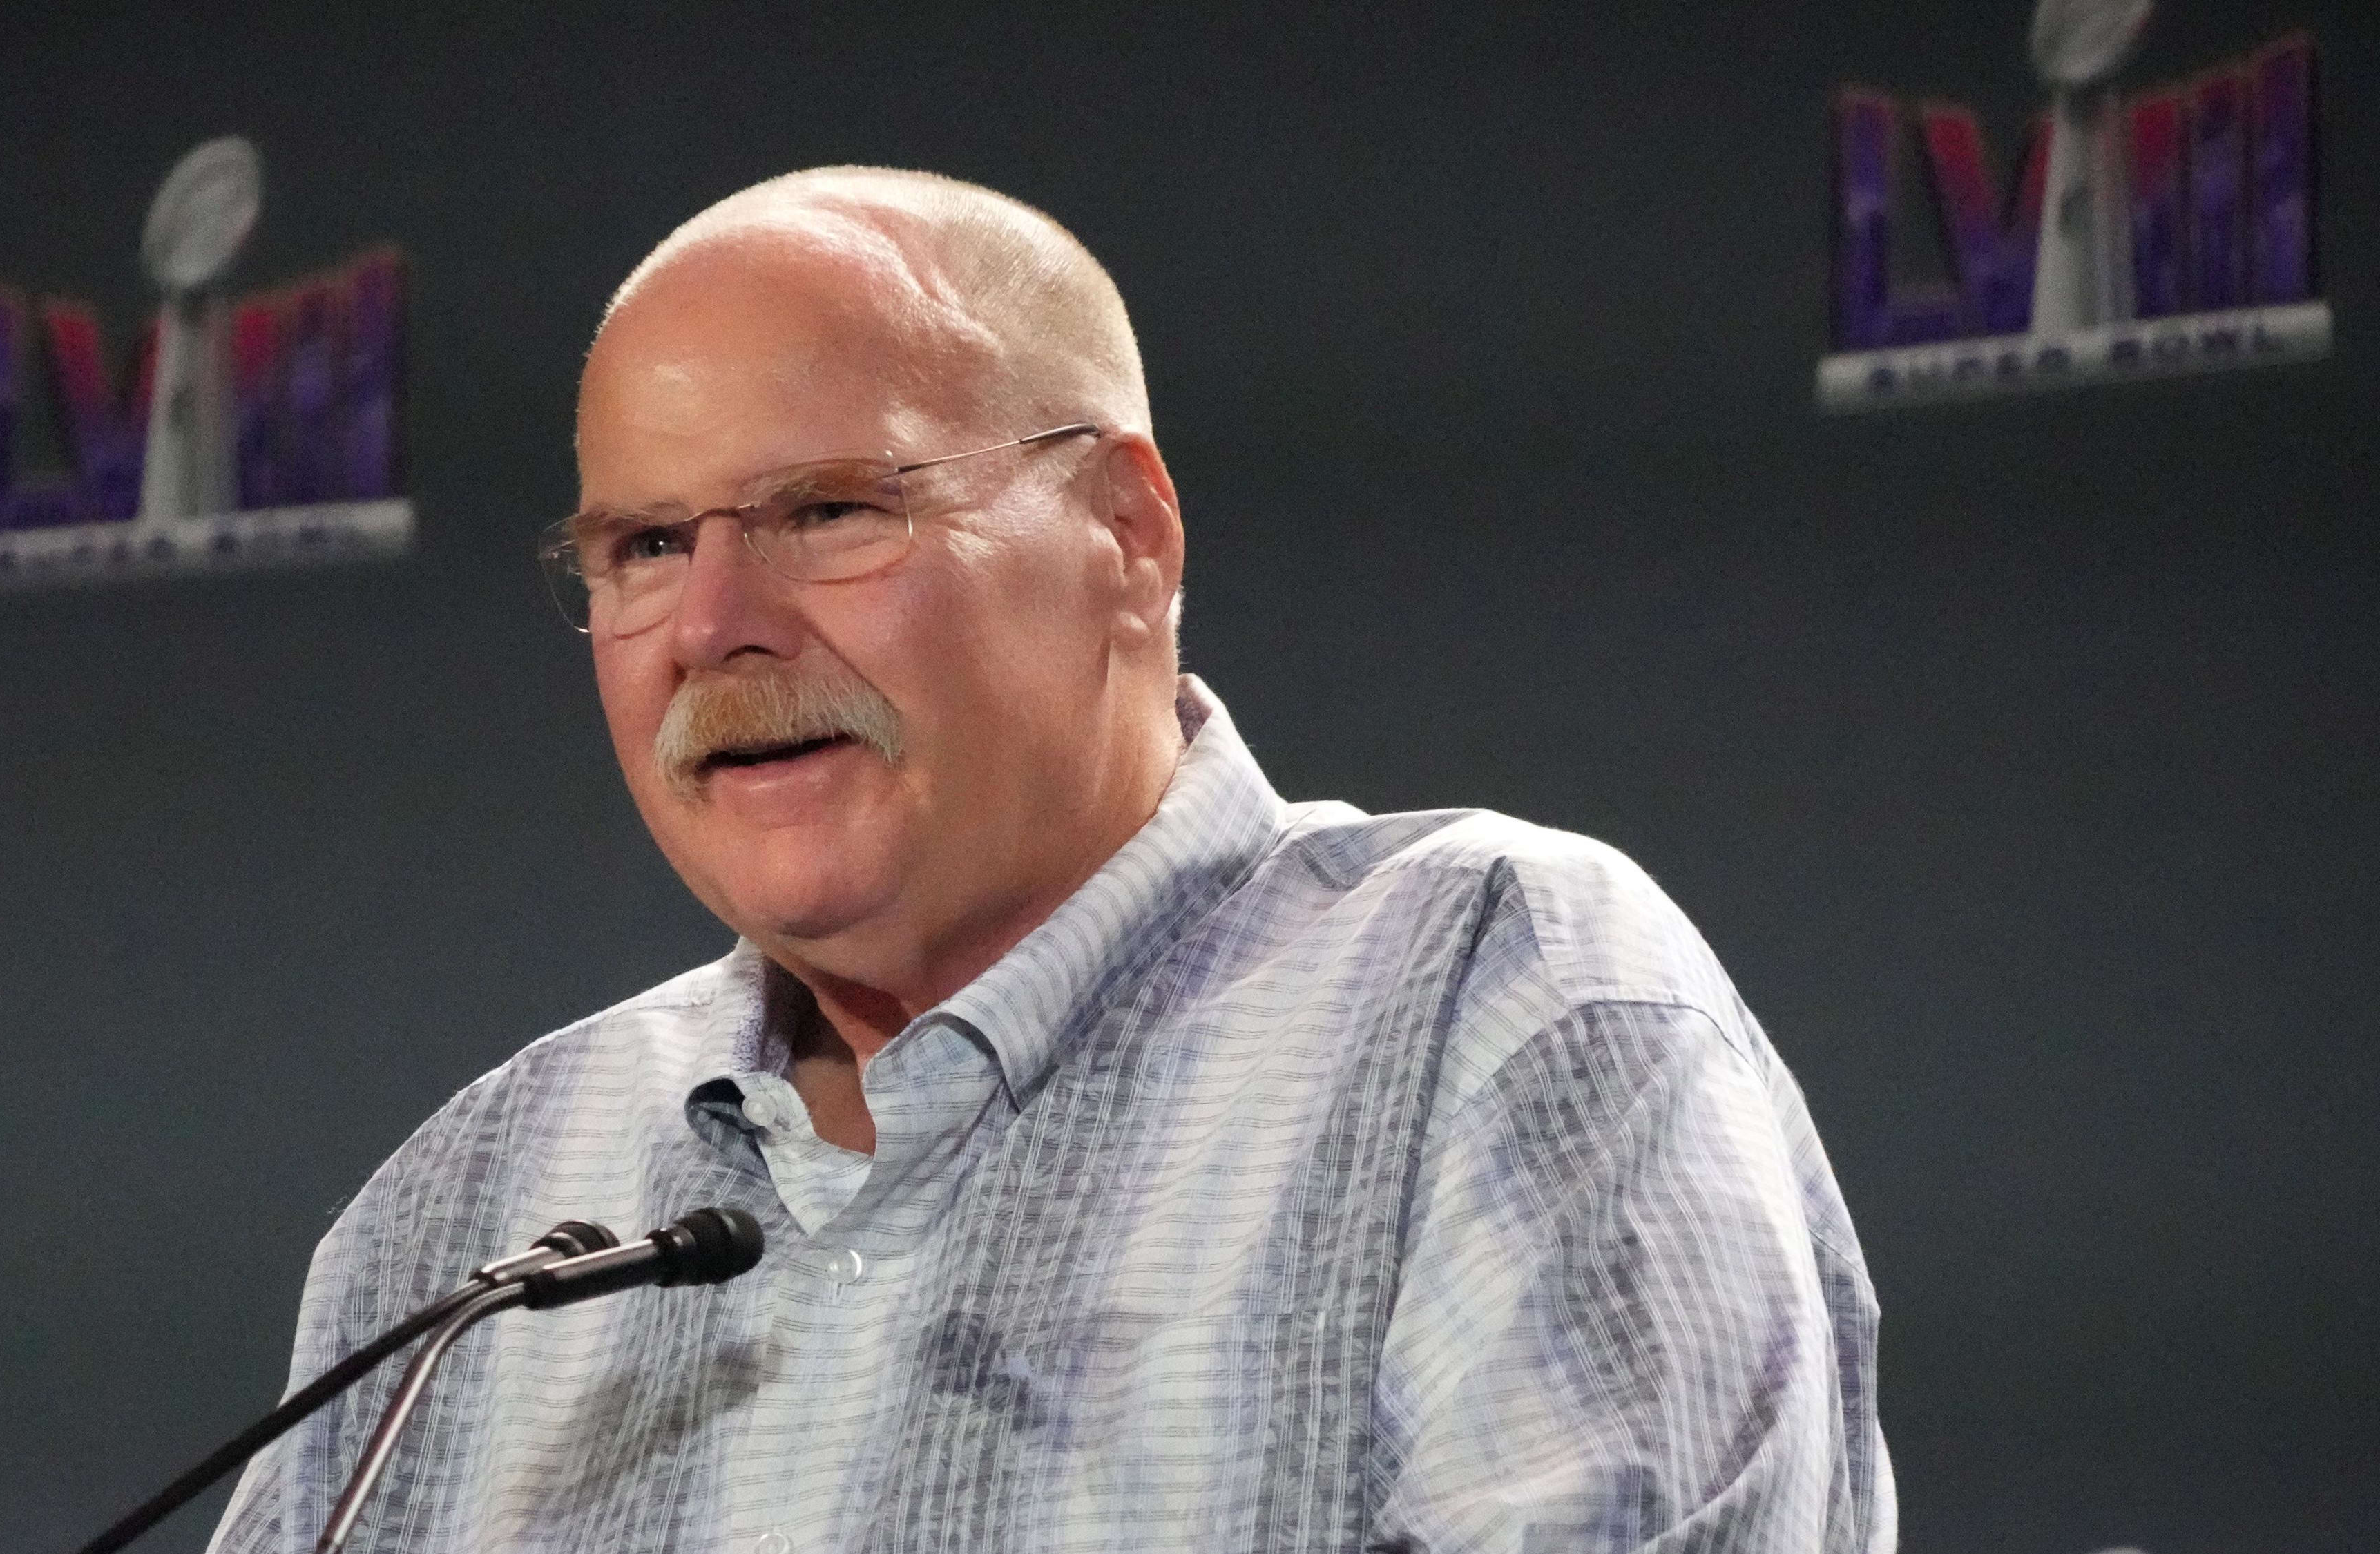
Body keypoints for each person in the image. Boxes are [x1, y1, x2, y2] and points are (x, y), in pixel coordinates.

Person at [211, 166, 1893, 1553]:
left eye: (829, 511)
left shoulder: (1487, 1003)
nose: (714, 626)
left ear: (1126, 537)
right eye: (646, 546)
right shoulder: (459, 1226)